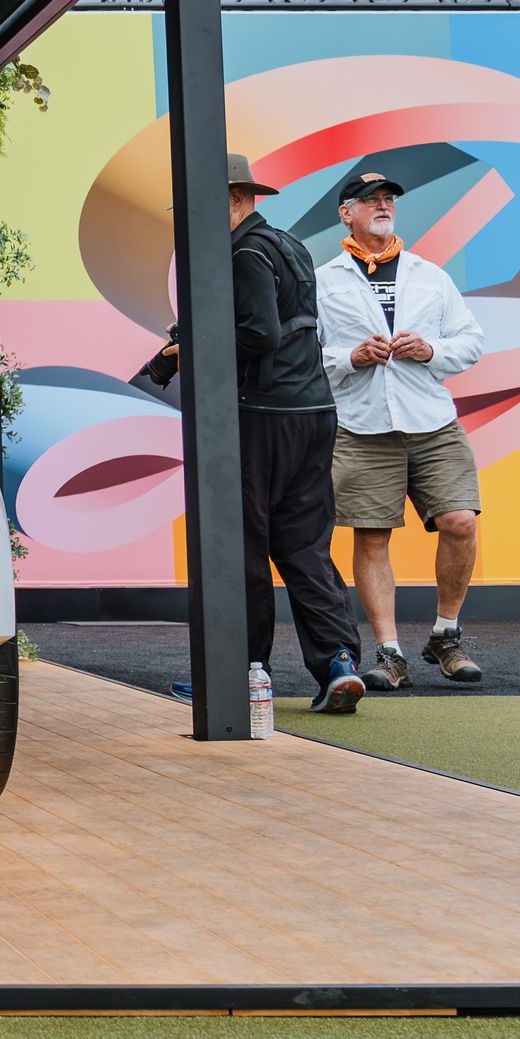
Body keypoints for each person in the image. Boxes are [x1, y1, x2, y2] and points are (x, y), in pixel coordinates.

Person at [142, 155, 362, 715]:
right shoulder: (288, 245)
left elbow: (258, 333)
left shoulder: (241, 252)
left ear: (235, 200)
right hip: (312, 411)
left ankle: (239, 675)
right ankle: (338, 663)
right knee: (306, 547)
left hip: (260, 418)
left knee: (240, 547)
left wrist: (184, 353)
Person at [317, 168, 490, 690]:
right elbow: (302, 354)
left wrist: (432, 350)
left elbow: (471, 340)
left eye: (389, 197)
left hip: (431, 419)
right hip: (361, 424)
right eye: (370, 199)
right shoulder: (324, 280)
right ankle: (389, 653)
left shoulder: (429, 275)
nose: (383, 204)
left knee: (460, 519)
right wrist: (350, 356)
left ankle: (446, 634)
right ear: (346, 212)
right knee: (372, 536)